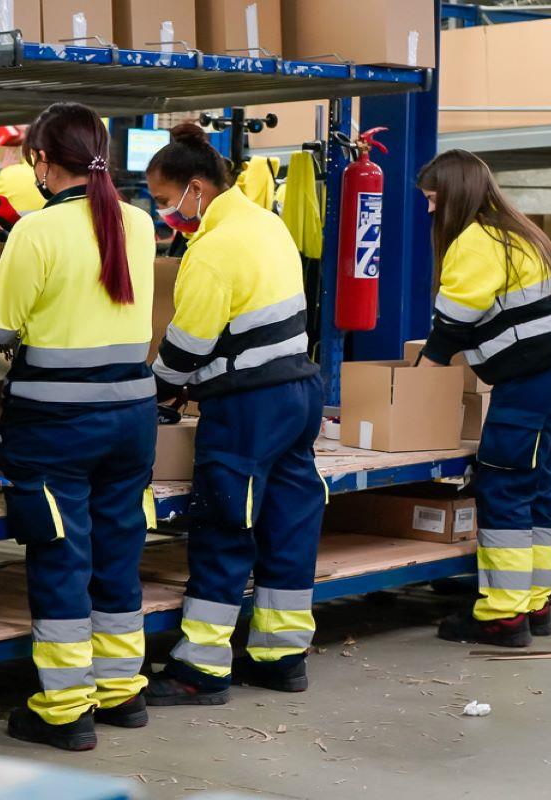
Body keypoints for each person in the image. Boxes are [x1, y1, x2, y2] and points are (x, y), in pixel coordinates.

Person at [0, 102, 158, 751]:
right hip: (133, 419)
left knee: (62, 556)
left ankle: (65, 709)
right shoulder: (139, 223)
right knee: (118, 550)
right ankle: (122, 691)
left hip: (59, 423)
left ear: (42, 159)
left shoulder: (38, 232)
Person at [142, 124, 327, 706]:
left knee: (225, 524)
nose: (166, 213)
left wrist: (159, 389)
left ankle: (201, 668)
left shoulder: (214, 249)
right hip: (299, 392)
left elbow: (188, 341)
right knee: (288, 521)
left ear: (197, 188)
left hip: (248, 407)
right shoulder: (267, 223)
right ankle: (281, 656)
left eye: (167, 201)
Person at [415, 149, 551, 648]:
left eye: (433, 199)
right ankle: (534, 603)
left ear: (454, 194)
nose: (430, 211)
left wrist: (409, 389)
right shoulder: (513, 231)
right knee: (535, 485)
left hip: (536, 380)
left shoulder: (476, 241)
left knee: (504, 485)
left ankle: (502, 617)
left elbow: (450, 326)